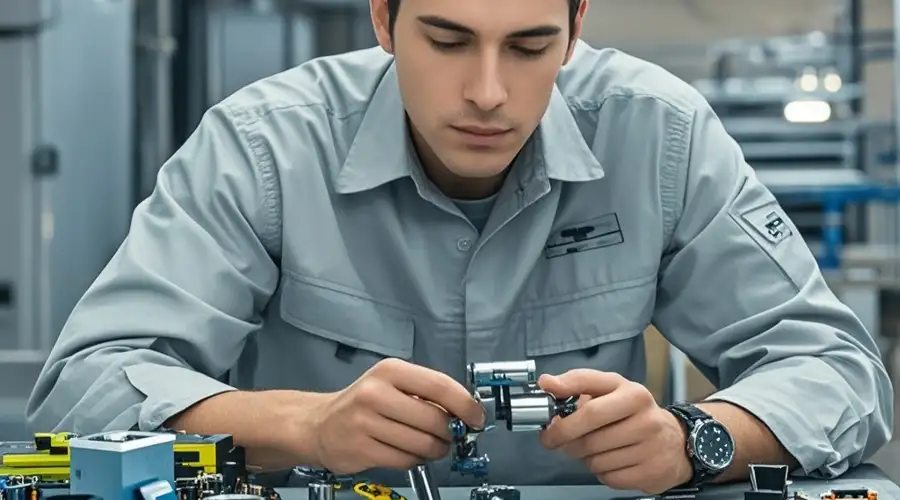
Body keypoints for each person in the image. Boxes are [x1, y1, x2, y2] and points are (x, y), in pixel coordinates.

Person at [27, 0, 892, 494]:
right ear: (382, 19)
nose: (488, 93)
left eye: (528, 47)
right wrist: (308, 426)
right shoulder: (263, 146)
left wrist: (696, 438)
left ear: (577, 23)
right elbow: (84, 388)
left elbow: (837, 372)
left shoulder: (658, 135)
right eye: (445, 40)